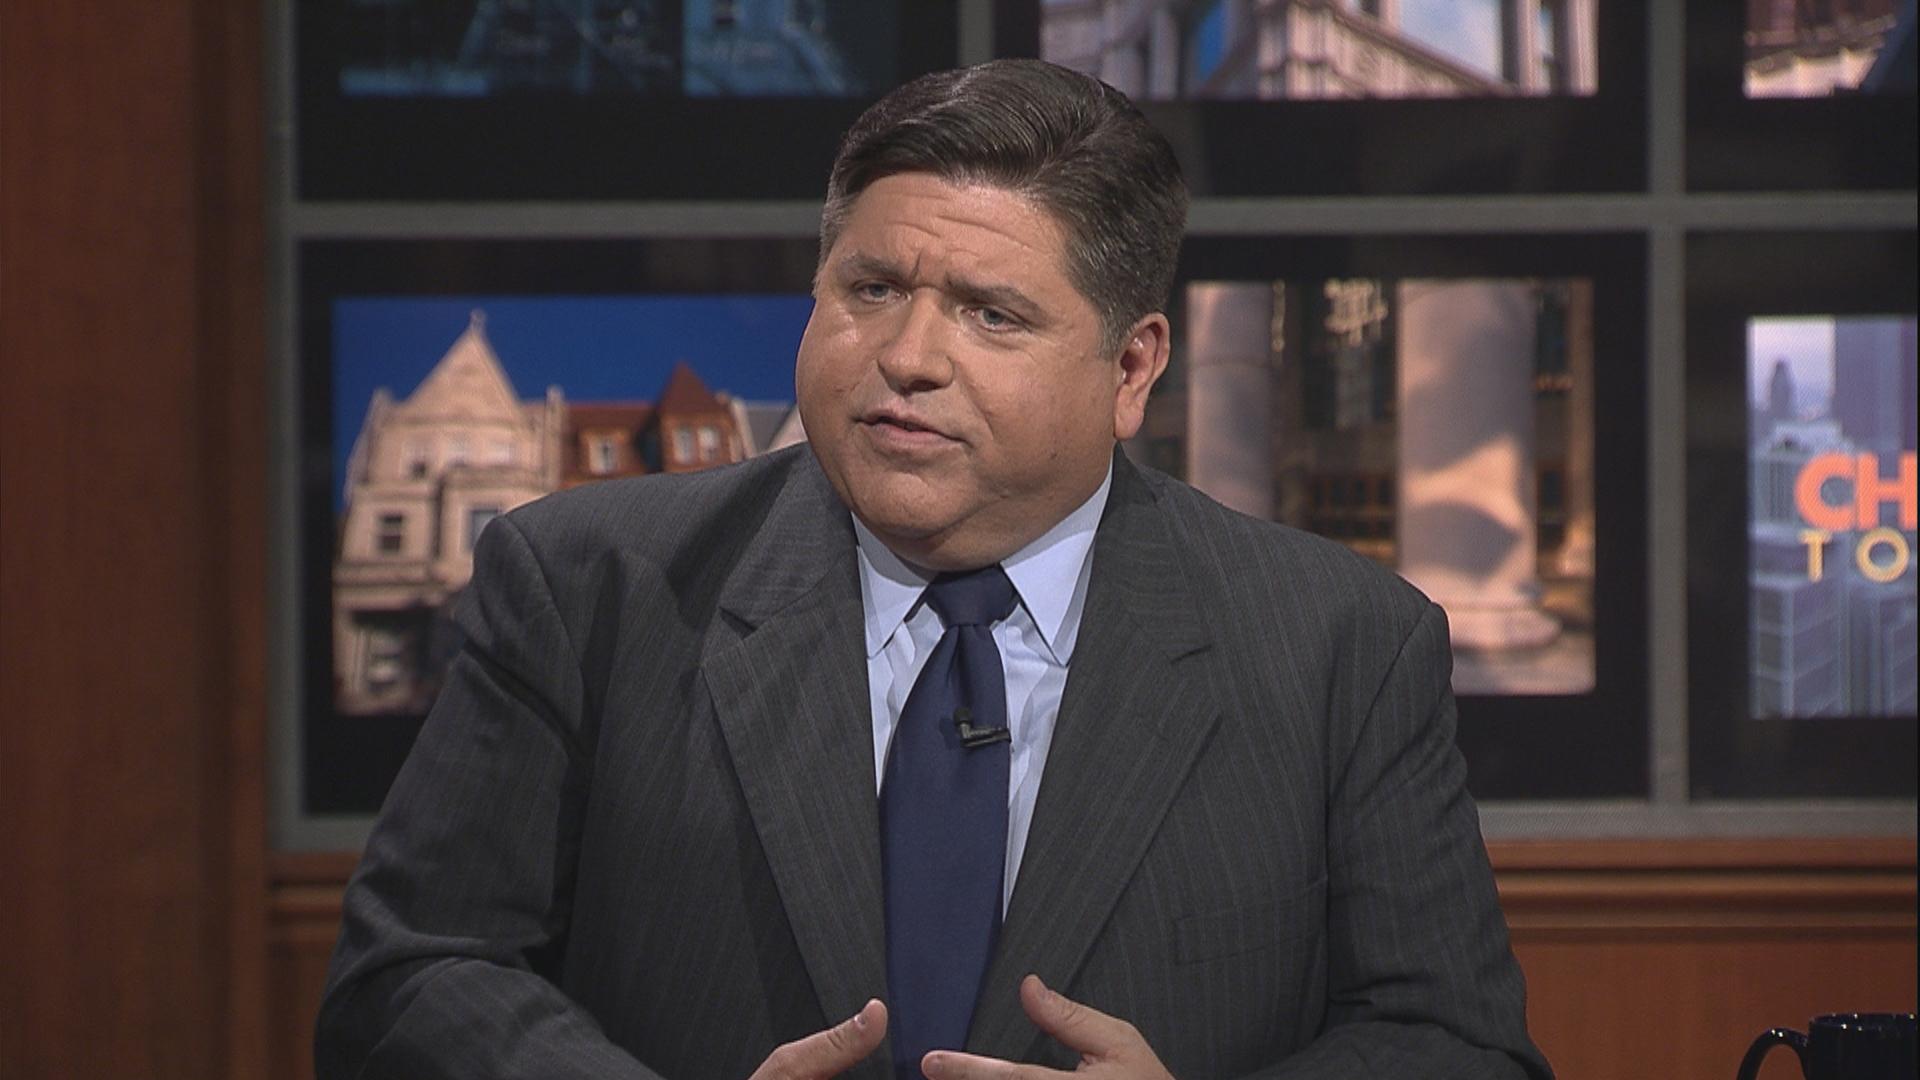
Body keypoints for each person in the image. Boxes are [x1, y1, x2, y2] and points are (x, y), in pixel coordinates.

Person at [316, 59, 1551, 1080]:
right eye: (871, 288)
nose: (906, 355)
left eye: (989, 314)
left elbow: (1459, 1046)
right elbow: (407, 982)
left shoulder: (1341, 645)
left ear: (1133, 371)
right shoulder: (589, 586)